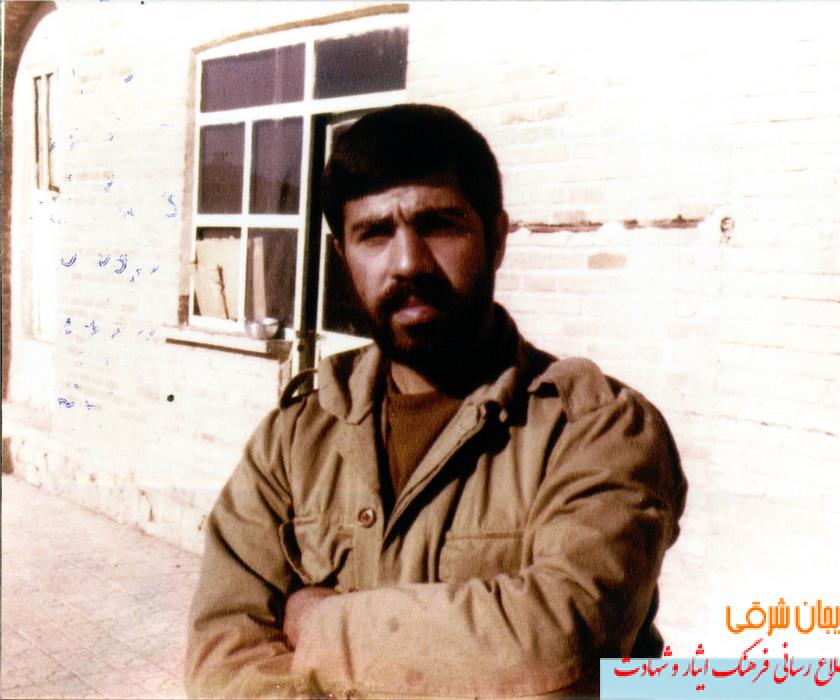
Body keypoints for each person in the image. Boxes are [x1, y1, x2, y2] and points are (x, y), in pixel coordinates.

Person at [185, 104, 687, 699]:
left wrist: (321, 625)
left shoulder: (598, 430)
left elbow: (563, 641)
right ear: (343, 256)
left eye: (439, 225)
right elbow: (223, 658)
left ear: (496, 239)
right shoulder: (293, 442)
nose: (408, 263)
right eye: (375, 234)